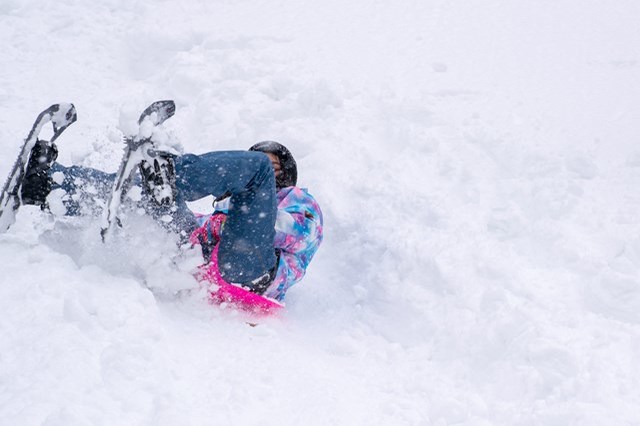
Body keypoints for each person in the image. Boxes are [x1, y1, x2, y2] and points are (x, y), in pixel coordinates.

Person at [20, 138, 323, 302]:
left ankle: (172, 176)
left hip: (250, 269)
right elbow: (204, 226)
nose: (271, 177)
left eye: (276, 169)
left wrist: (225, 221)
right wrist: (166, 207)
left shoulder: (303, 204)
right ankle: (51, 186)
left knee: (254, 166)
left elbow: (290, 233)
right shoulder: (226, 209)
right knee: (141, 196)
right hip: (200, 259)